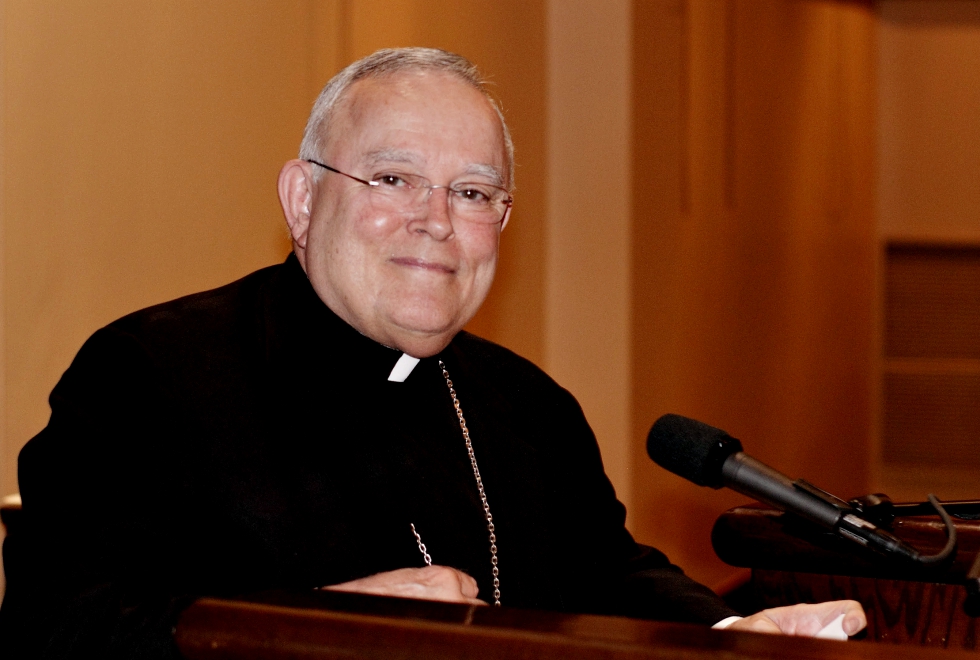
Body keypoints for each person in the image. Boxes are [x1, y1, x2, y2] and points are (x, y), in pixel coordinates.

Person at [0, 47, 865, 658]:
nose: (437, 219)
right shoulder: (149, 375)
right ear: (303, 199)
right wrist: (316, 629)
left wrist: (722, 634)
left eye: (474, 192)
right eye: (393, 178)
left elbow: (603, 574)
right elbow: (60, 626)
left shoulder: (526, 405)